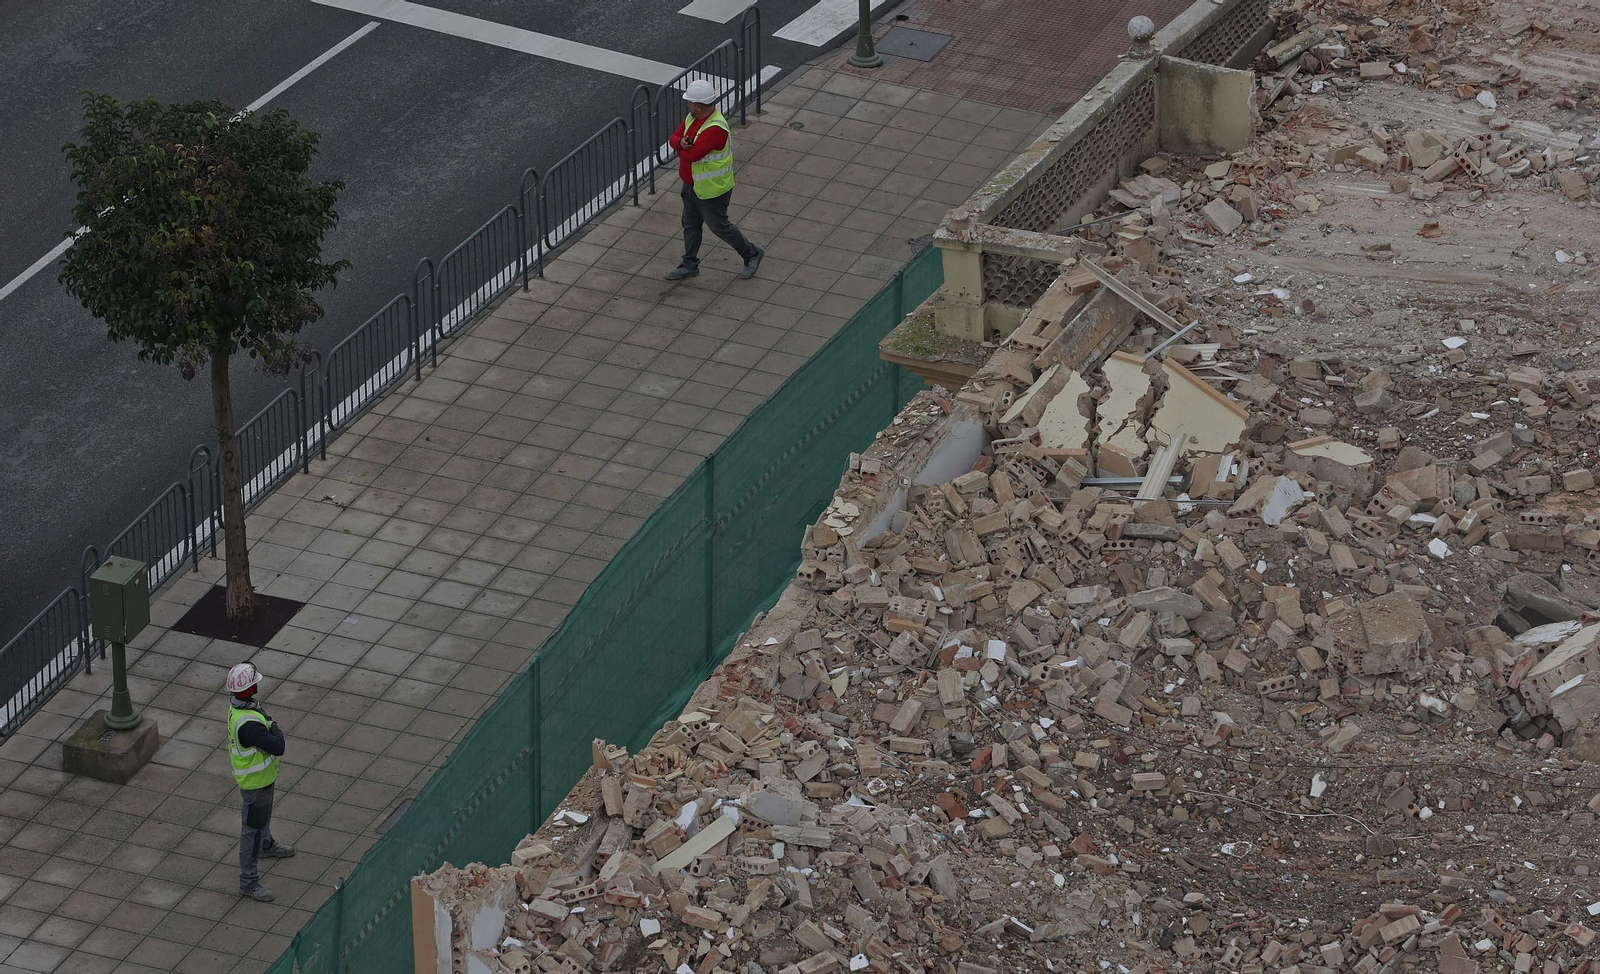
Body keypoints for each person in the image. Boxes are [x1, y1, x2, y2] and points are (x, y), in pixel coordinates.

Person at [665, 78, 763, 282]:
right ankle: (689, 264)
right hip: (692, 184)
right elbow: (674, 137)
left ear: (698, 106)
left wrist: (680, 148)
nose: (687, 105)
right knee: (690, 224)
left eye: (689, 102)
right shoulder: (693, 118)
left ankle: (751, 253)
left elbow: (692, 156)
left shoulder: (715, 128)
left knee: (720, 227)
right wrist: (681, 144)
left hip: (712, 190)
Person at [226, 662, 294, 902]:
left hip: (260, 779)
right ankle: (249, 882)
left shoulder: (240, 709)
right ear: (250, 688)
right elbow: (278, 746)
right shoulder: (251, 725)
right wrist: (274, 726)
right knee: (251, 833)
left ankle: (266, 845)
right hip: (256, 785)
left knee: (260, 824)